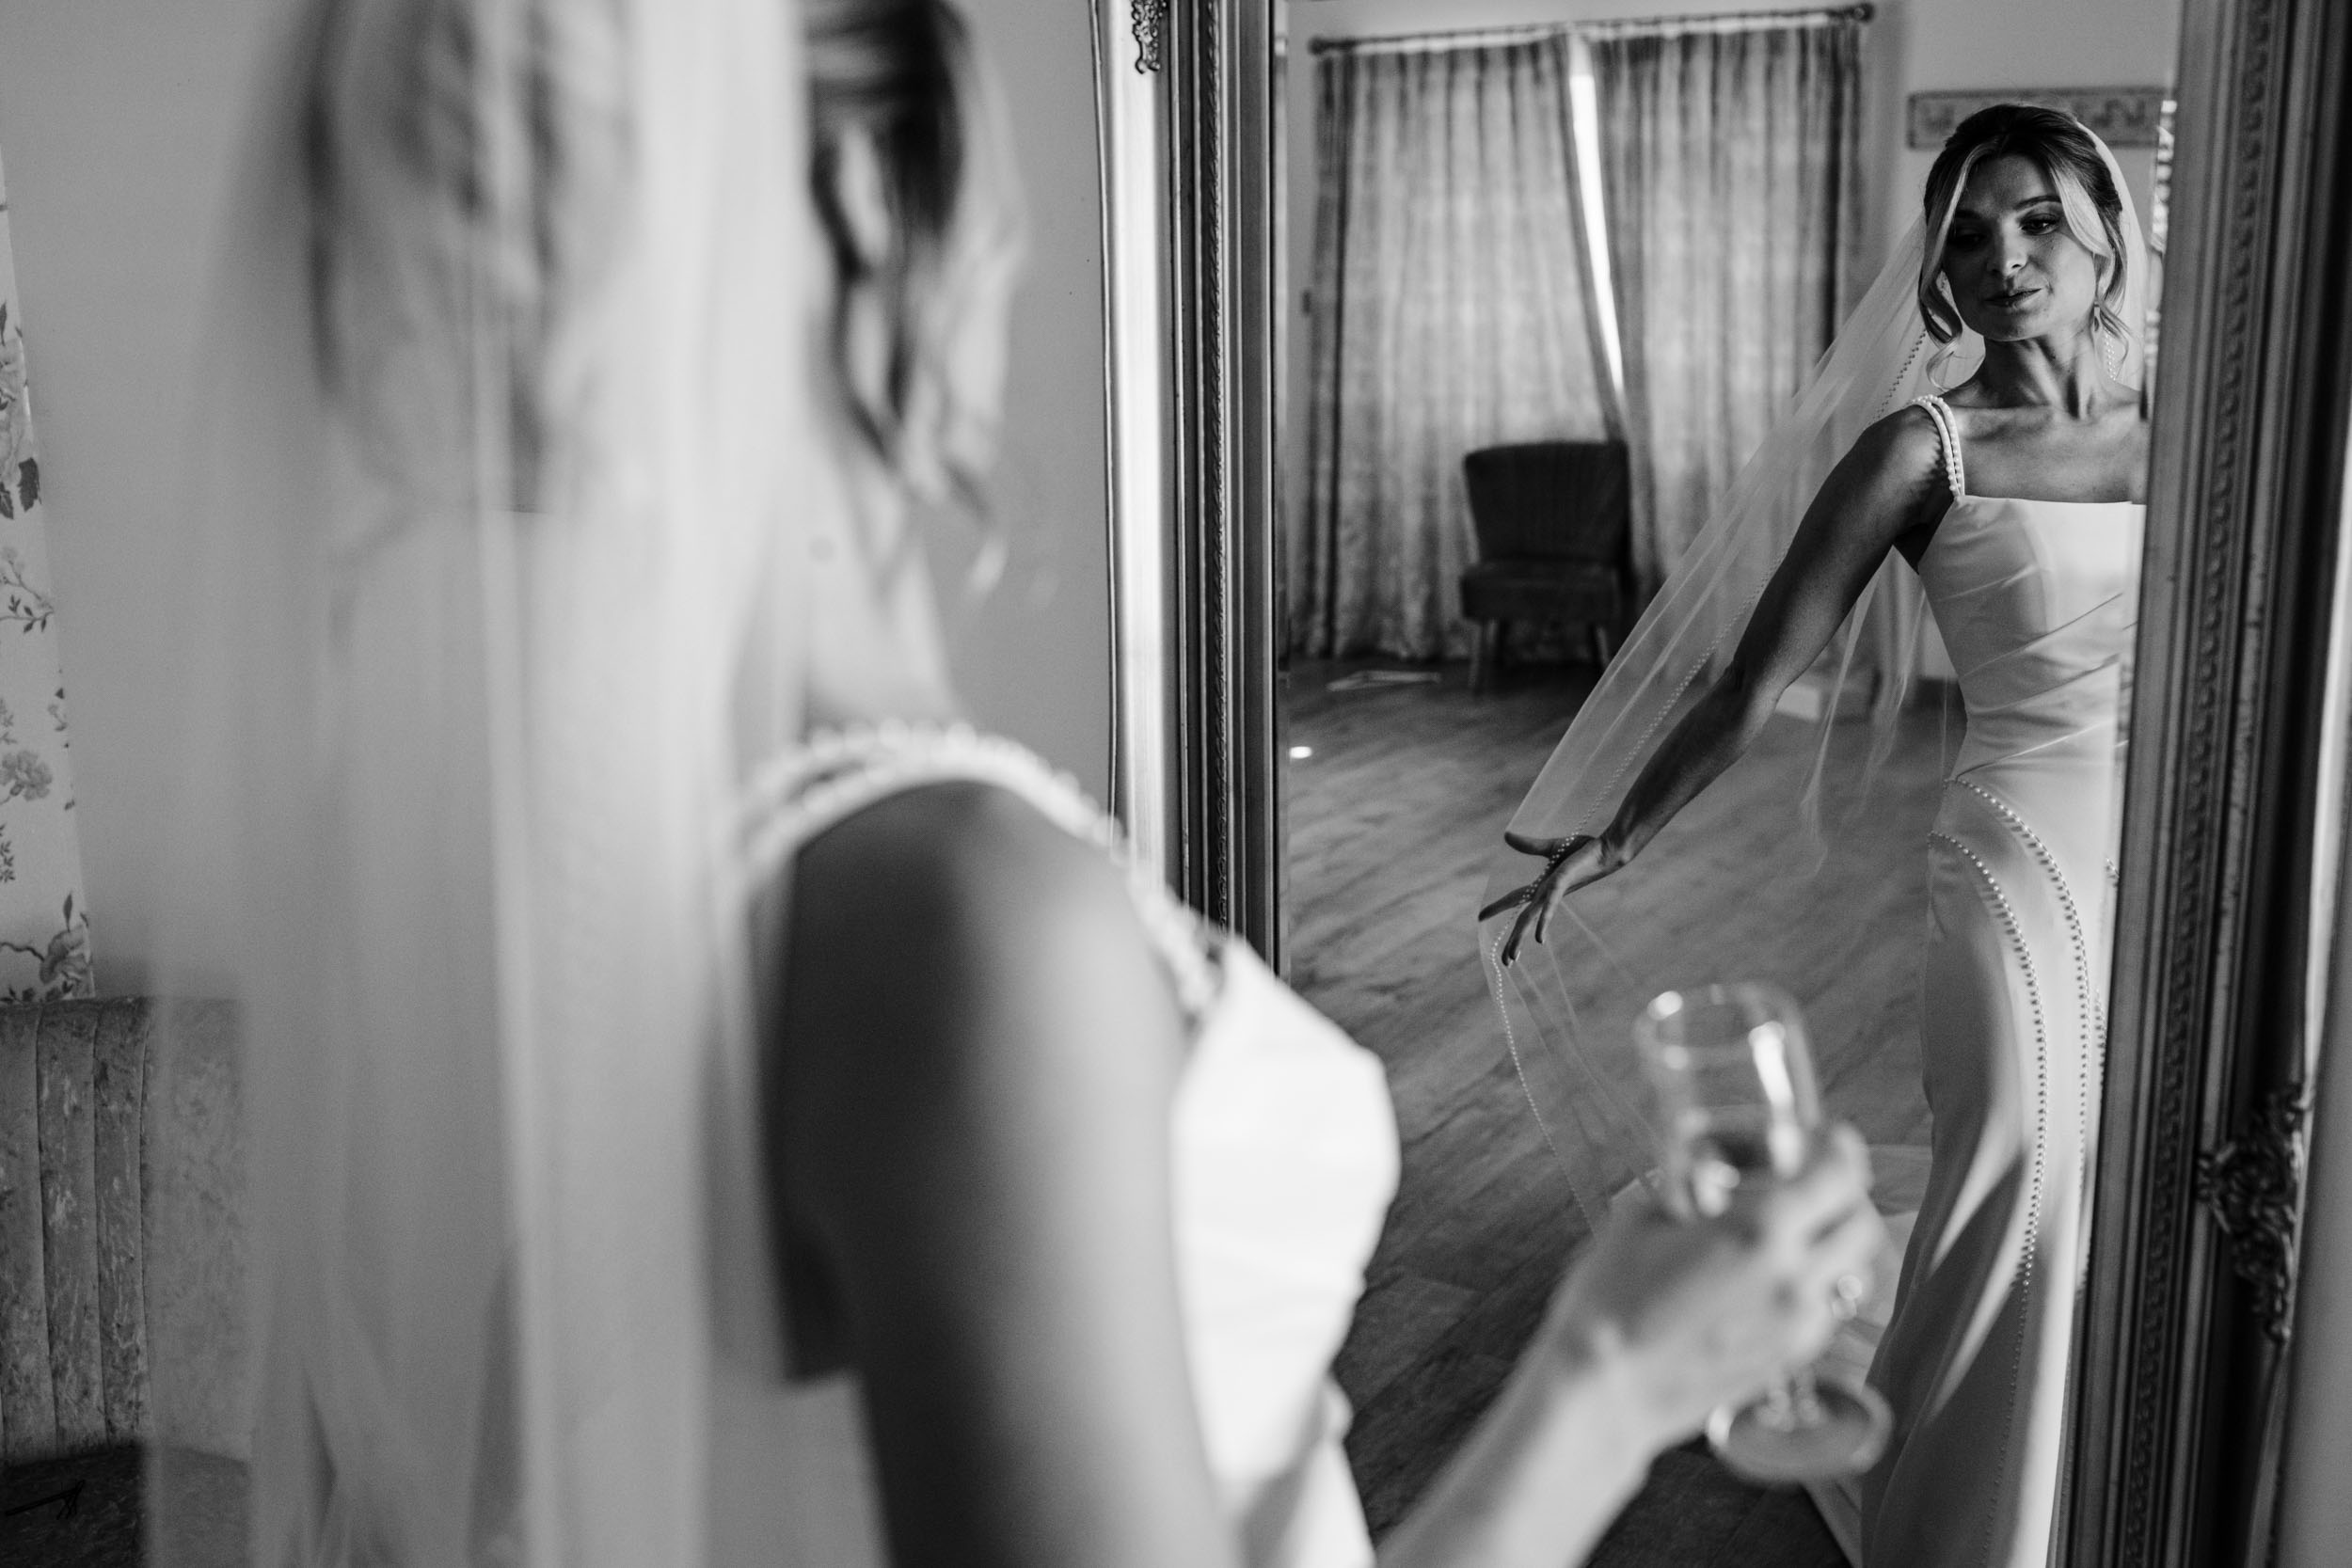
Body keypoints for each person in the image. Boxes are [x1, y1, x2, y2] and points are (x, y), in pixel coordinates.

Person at [152, 1, 1881, 1565]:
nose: (1009, 245)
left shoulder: (585, 842)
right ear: (854, 193)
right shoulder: (952, 908)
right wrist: (1607, 1379)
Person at [1487, 105, 2146, 1568]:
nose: (2004, 260)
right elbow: (1751, 679)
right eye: (1968, 235)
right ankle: (1973, 1530)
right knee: (2023, 1167)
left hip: (2178, 863)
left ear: (2108, 223)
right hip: (2020, 854)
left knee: (2155, 1177)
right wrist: (1617, 832)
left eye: (2037, 219)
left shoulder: (2211, 426)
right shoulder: (1925, 449)